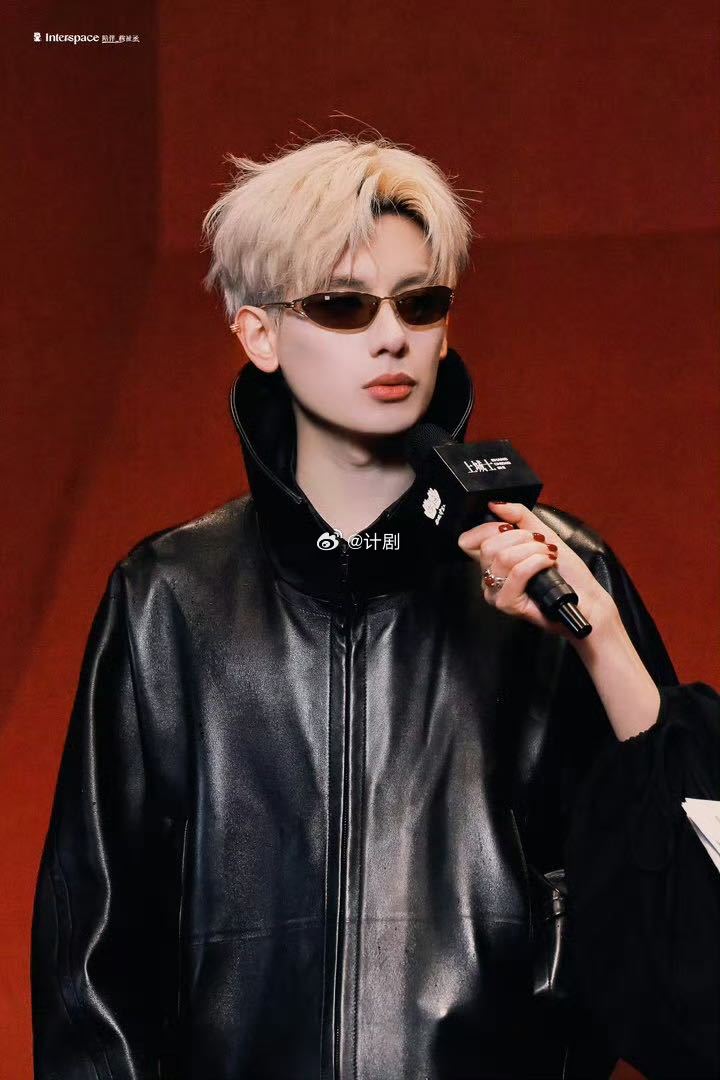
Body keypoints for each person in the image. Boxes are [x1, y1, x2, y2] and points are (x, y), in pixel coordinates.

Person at [31, 133, 720, 1079]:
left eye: (420, 302)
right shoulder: (168, 598)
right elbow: (92, 964)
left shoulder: (562, 574)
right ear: (260, 335)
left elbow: (687, 948)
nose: (391, 336)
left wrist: (602, 642)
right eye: (342, 305)